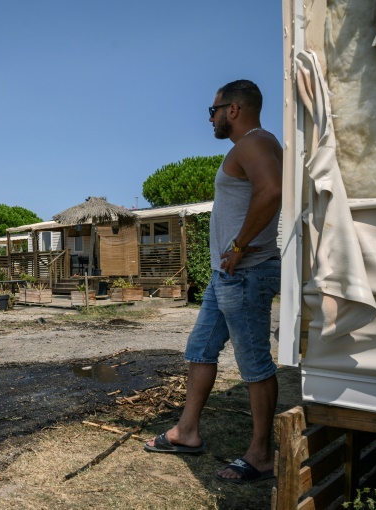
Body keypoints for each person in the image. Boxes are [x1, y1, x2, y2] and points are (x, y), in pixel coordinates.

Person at [143, 80, 283, 484]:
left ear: (233, 109)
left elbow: (272, 190)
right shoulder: (261, 144)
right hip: (229, 275)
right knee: (200, 348)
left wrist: (239, 245)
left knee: (254, 362)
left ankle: (261, 455)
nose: (211, 118)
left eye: (213, 110)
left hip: (245, 272)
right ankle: (187, 432)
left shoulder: (252, 143)